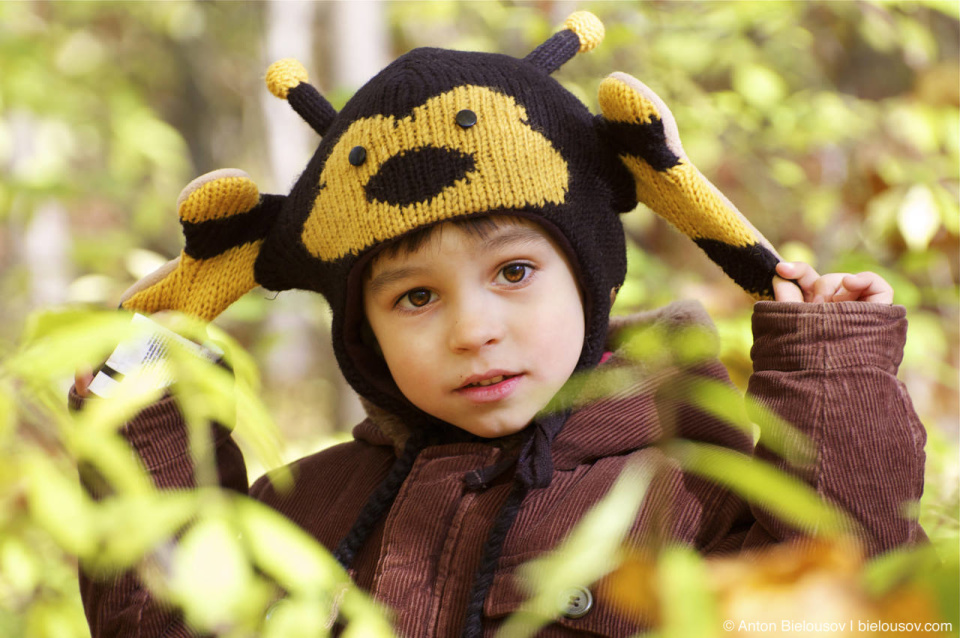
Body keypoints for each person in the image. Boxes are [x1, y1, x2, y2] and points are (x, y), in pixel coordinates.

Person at [72, 11, 926, 638]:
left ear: (587, 278)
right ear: (361, 332)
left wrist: (830, 368)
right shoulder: (303, 513)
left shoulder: (689, 492)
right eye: (414, 297)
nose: (473, 330)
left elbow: (866, 596)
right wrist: (142, 427)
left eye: (514, 273)